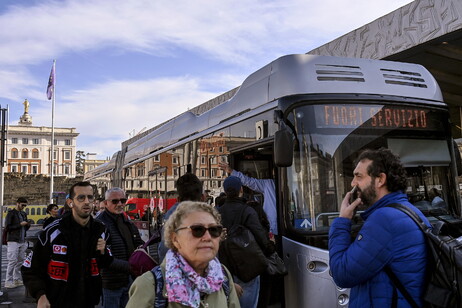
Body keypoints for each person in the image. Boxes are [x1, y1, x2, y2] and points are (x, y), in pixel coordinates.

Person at [328, 148, 430, 307]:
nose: (353, 183)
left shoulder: (384, 219)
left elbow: (342, 273)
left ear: (380, 179)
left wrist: (342, 221)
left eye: (358, 176)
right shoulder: (410, 211)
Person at [126, 201, 240, 308]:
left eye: (214, 230)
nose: (207, 237)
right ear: (175, 239)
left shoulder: (222, 276)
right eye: (197, 230)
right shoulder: (150, 285)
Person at [22, 181, 113, 308]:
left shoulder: (102, 230)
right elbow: (30, 268)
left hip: (89, 302)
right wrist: (40, 295)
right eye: (81, 197)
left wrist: (103, 252)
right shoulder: (52, 232)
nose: (87, 201)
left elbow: (106, 263)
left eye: (90, 197)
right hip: (57, 302)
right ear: (71, 202)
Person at [218, 176, 274, 308]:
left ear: (225, 192)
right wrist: (271, 248)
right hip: (248, 266)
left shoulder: (217, 212)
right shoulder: (248, 211)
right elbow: (260, 235)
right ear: (241, 190)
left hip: (225, 267)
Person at [96, 187, 144, 308]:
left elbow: (138, 243)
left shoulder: (126, 220)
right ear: (106, 203)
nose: (120, 204)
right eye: (115, 201)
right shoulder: (99, 224)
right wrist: (130, 267)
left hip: (128, 280)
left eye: (123, 200)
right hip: (111, 283)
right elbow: (102, 258)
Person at [219, 162, 277, 236]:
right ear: (241, 189)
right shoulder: (269, 184)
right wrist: (232, 171)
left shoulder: (218, 211)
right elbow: (248, 181)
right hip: (273, 229)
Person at [157, 173, 204, 262]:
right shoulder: (206, 220)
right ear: (202, 198)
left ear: (178, 199)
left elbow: (163, 251)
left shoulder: (170, 216)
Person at [4, 197, 30, 289]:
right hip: (13, 240)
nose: (24, 207)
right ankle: (8, 281)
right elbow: (7, 227)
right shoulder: (11, 213)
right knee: (12, 261)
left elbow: (25, 228)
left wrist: (27, 225)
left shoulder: (23, 214)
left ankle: (16, 279)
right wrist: (20, 225)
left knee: (20, 261)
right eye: (23, 205)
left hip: (22, 240)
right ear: (17, 203)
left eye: (25, 206)